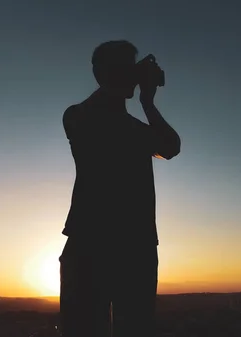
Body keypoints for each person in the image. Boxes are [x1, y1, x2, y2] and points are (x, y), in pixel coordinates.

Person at [58, 40, 181, 337]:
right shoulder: (78, 115)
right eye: (126, 69)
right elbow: (99, 124)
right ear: (105, 73)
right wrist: (129, 86)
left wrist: (148, 103)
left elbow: (171, 147)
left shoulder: (136, 129)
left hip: (135, 246)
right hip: (91, 244)